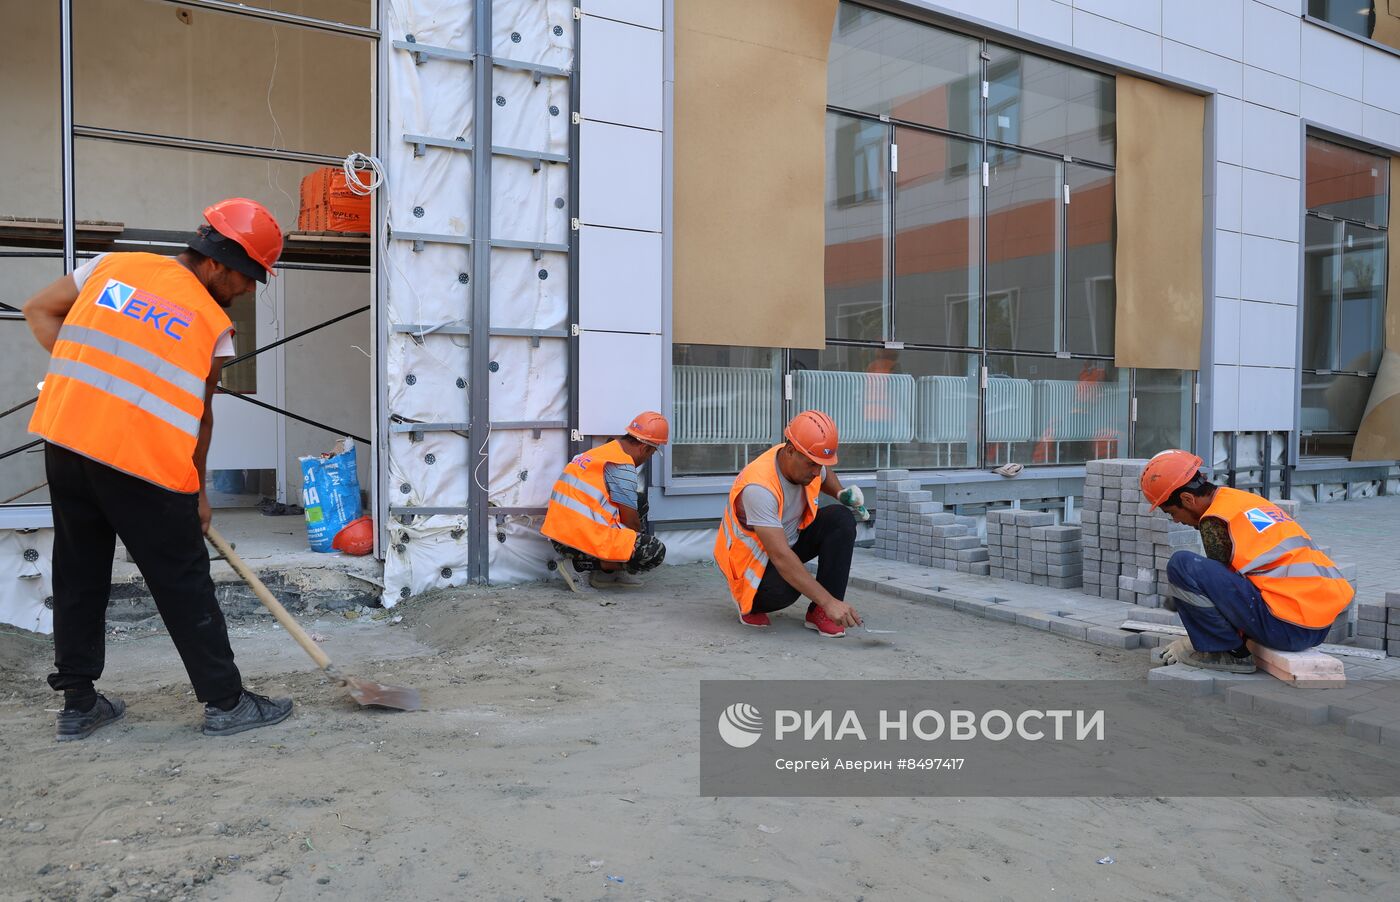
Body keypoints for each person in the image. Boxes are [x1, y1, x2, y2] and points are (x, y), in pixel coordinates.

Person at [22, 198, 295, 740]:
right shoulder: (211, 324)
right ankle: (226, 703)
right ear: (215, 262)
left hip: (68, 443)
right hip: (142, 461)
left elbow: (38, 310)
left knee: (78, 571)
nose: (249, 290)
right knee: (182, 579)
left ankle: (79, 704)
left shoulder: (110, 268)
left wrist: (89, 381)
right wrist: (199, 493)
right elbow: (201, 416)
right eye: (248, 277)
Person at [1140, 449, 1353, 673]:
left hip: (1287, 628)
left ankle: (1230, 654)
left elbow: (1224, 595)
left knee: (1182, 564)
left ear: (1187, 499)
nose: (1175, 521)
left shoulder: (1215, 520)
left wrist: (1198, 638)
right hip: (1317, 626)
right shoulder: (1240, 502)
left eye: (1172, 512)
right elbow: (1236, 582)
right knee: (1195, 570)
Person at [715, 410, 865, 637]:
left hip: (788, 541)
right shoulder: (759, 488)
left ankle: (821, 614)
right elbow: (780, 556)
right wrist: (828, 601)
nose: (817, 472)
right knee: (786, 589)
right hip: (753, 567)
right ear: (790, 451)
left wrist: (840, 493)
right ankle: (750, 605)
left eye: (820, 464)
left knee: (840, 519)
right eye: (812, 464)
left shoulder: (804, 459)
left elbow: (825, 473)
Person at [542, 411, 669, 592]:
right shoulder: (622, 465)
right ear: (644, 448)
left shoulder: (601, 452)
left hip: (560, 533)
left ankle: (605, 573)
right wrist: (629, 551)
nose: (646, 460)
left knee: (639, 501)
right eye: (651, 454)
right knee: (653, 551)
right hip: (574, 542)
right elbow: (631, 522)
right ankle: (579, 566)